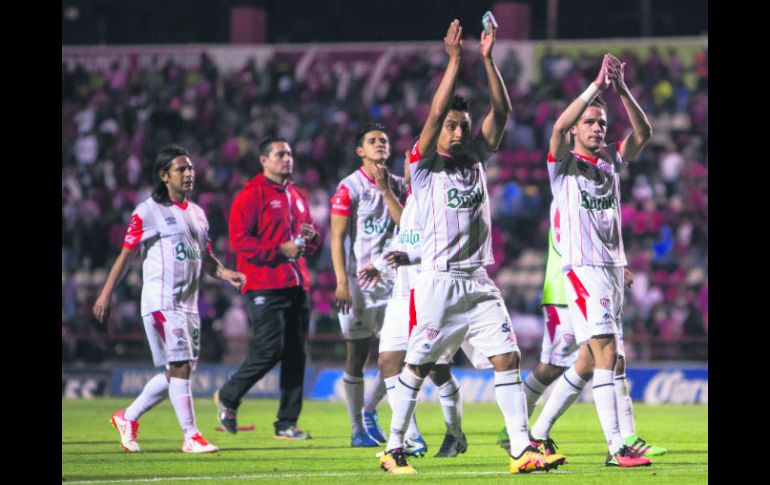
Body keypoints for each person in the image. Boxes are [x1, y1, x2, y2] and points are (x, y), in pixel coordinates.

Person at [378, 18, 565, 475]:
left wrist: (487, 60)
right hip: (437, 282)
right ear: (438, 131)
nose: (458, 132)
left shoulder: (477, 159)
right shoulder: (423, 167)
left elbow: (501, 113)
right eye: (451, 126)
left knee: (507, 356)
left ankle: (521, 448)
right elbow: (433, 114)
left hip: (478, 280)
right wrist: (455, 59)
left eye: (463, 126)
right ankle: (394, 446)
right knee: (417, 365)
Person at [93, 145, 246, 453]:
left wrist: (225, 272)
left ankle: (127, 417)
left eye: (190, 168)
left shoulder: (198, 214)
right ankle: (191, 436)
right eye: (181, 169)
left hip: (188, 307)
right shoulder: (148, 211)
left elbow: (203, 255)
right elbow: (125, 257)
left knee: (179, 370)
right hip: (162, 302)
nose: (189, 174)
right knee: (179, 365)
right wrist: (106, 293)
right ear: (164, 176)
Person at [545, 53, 653, 467]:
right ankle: (617, 447)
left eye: (601, 123)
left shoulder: (610, 160)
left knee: (594, 359)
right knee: (607, 352)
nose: (596, 128)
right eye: (589, 122)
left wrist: (621, 90)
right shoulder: (563, 165)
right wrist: (595, 85)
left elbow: (643, 133)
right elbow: (556, 127)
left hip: (610, 269)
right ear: (576, 128)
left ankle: (537, 434)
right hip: (583, 268)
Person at [496, 201, 667, 458]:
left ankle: (620, 437)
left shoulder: (585, 193)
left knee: (601, 360)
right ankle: (518, 429)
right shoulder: (568, 192)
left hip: (591, 284)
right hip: (566, 289)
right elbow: (576, 243)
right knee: (553, 366)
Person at [358, 150, 480, 458]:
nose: (409, 167)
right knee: (388, 360)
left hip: (431, 292)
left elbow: (447, 248)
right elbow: (405, 240)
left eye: (415, 162)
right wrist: (378, 264)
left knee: (437, 370)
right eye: (407, 163)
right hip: (402, 293)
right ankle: (410, 437)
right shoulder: (412, 200)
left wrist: (407, 258)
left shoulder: (441, 195)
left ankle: (454, 434)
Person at [213, 137, 320, 440]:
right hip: (263, 283)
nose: (287, 158)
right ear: (263, 160)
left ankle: (286, 423)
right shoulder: (250, 196)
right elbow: (240, 242)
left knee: (297, 354)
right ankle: (229, 394)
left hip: (296, 283)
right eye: (280, 154)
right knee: (270, 348)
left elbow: (311, 241)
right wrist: (279, 249)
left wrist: (311, 238)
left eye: (289, 153)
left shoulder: (297, 196)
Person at [330, 123, 408, 447]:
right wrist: (341, 282)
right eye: (372, 141)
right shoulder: (348, 187)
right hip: (359, 284)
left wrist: (387, 188)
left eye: (384, 140)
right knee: (357, 356)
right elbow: (336, 238)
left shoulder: (399, 185)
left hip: (393, 281)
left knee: (398, 352)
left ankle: (370, 409)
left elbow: (406, 225)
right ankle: (356, 429)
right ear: (360, 151)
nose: (379, 144)